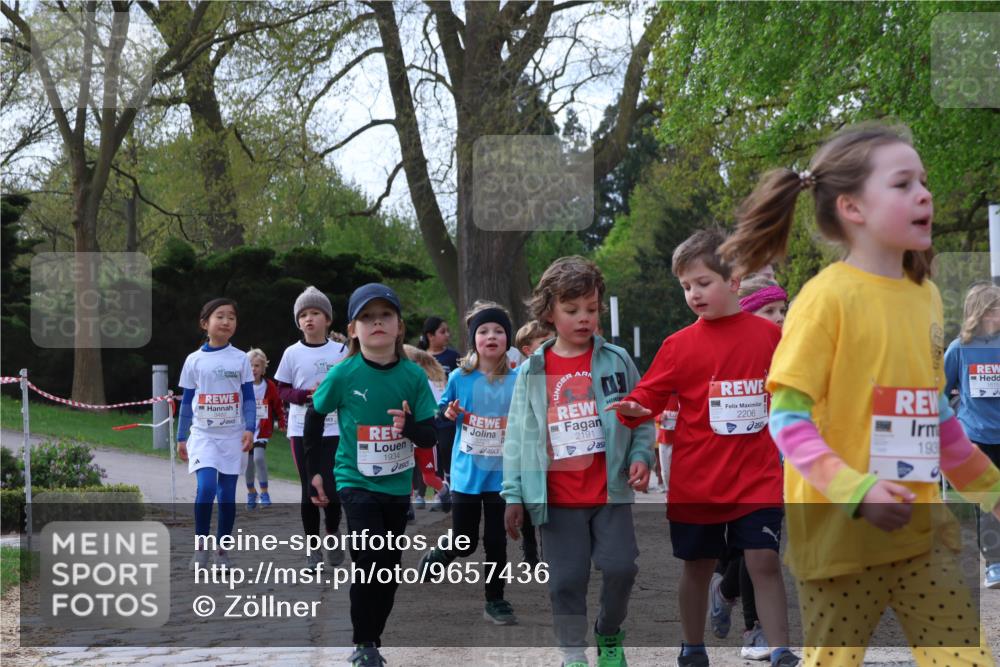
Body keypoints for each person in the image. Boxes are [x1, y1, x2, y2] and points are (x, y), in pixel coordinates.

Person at [722, 123, 1000, 667]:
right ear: (852, 207)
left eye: (924, 181)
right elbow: (787, 419)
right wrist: (857, 490)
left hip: (921, 534)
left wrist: (993, 491)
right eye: (903, 183)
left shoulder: (927, 297)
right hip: (839, 543)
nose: (924, 193)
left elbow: (936, 415)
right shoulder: (824, 300)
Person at [608, 229, 795, 667]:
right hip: (699, 481)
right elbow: (647, 398)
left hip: (757, 475)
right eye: (686, 287)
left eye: (703, 282)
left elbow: (796, 388)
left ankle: (781, 648)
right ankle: (693, 647)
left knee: (763, 560)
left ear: (733, 281)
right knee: (698, 565)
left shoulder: (769, 338)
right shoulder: (678, 346)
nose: (693, 294)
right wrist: (634, 408)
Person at [502, 256, 654, 667]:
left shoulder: (617, 360)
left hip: (611, 491)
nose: (584, 318)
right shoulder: (533, 370)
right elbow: (517, 435)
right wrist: (513, 496)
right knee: (566, 581)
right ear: (549, 311)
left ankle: (608, 634)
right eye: (572, 311)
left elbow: (640, 415)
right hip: (558, 498)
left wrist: (641, 455)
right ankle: (573, 653)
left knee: (621, 568)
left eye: (591, 308)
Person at [305, 283, 439, 667]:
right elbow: (314, 418)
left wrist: (409, 427)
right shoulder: (344, 374)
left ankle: (373, 638)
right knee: (368, 557)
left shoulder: (413, 377)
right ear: (352, 330)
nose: (376, 323)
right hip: (355, 481)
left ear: (399, 327)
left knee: (388, 569)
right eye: (366, 317)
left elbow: (430, 435)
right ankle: (363, 644)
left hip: (396, 486)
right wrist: (315, 472)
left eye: (385, 316)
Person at [419, 301, 520, 624]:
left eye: (499, 331)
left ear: (508, 340)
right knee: (465, 541)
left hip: (501, 475)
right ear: (474, 339)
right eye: (484, 331)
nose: (491, 336)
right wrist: (448, 413)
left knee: (495, 541)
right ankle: (441, 553)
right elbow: (444, 410)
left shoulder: (518, 381)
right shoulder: (460, 378)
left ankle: (496, 599)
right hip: (467, 474)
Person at [177, 298, 255, 569]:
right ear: (204, 323)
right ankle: (200, 547)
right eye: (219, 316)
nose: (226, 322)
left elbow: (248, 398)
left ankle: (222, 550)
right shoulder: (194, 360)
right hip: (203, 435)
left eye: (231, 317)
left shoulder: (241, 358)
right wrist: (180, 437)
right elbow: (186, 401)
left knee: (227, 494)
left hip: (233, 437)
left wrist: (249, 428)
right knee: (207, 487)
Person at [274, 286, 348, 567]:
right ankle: (312, 548)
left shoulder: (342, 351)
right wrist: (306, 396)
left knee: (332, 487)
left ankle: (331, 532)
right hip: (301, 430)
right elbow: (281, 390)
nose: (309, 319)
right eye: (303, 314)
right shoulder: (292, 353)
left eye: (315, 313)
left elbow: (349, 386)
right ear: (298, 321)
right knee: (309, 489)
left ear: (327, 319)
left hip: (335, 429)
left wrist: (332, 396)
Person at [944, 283, 1000, 589]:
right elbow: (941, 391)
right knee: (989, 498)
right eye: (995, 308)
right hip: (975, 436)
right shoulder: (959, 349)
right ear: (980, 313)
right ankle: (995, 563)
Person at [512, 319, 554, 566]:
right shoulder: (521, 374)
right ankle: (530, 550)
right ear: (528, 349)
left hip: (549, 443)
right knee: (529, 501)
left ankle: (548, 549)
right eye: (543, 341)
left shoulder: (555, 369)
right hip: (525, 445)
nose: (551, 345)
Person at [403, 344, 452, 514]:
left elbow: (438, 408)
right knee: (404, 475)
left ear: (418, 364)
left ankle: (445, 492)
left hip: (425, 438)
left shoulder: (430, 383)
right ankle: (407, 506)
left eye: (409, 362)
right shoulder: (395, 382)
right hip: (404, 439)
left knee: (428, 477)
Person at [419, 315, 461, 494]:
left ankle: (452, 486)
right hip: (426, 412)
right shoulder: (419, 358)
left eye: (448, 331)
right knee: (431, 451)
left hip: (446, 413)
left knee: (446, 449)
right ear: (430, 335)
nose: (447, 335)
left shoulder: (453, 357)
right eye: (442, 331)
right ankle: (437, 491)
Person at [245, 348, 283, 510]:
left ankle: (265, 492)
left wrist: (282, 420)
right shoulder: (242, 386)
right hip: (245, 431)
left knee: (258, 458)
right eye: (250, 366)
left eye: (257, 366)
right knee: (248, 465)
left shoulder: (270, 386)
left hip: (262, 430)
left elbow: (278, 405)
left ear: (263, 368)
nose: (253, 369)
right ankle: (251, 492)